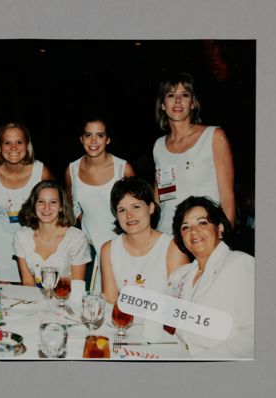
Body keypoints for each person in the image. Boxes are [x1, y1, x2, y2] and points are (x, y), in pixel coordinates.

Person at [168, 196, 254, 358]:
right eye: (185, 227)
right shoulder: (181, 275)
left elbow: (253, 337)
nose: (193, 231)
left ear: (220, 228)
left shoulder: (241, 264)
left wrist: (199, 362)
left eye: (202, 223)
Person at [153, 72, 235, 234]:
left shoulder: (214, 136)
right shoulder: (158, 146)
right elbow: (160, 199)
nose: (177, 100)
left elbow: (227, 198)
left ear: (192, 103)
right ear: (162, 104)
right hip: (167, 237)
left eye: (184, 95)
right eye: (170, 95)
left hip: (203, 236)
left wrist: (224, 240)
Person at [65, 116, 135, 289]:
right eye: (88, 135)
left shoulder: (123, 169)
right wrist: (90, 230)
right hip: (89, 250)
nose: (93, 141)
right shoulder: (72, 170)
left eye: (100, 135)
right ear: (81, 139)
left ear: (108, 139)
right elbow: (72, 208)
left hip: (121, 246)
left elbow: (137, 210)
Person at [0, 122, 53, 282]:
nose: (13, 148)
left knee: (30, 288)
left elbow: (54, 204)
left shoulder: (42, 172)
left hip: (30, 234)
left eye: (19, 142)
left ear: (27, 145)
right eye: (7, 142)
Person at [100, 177, 188, 304]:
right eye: (122, 210)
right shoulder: (108, 250)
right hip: (125, 322)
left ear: (151, 208)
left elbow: (179, 305)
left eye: (136, 207)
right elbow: (110, 302)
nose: (129, 215)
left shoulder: (173, 248)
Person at [14, 180, 90, 289]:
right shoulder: (22, 235)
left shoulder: (77, 238)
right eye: (41, 201)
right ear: (34, 205)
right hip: (34, 300)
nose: (46, 207)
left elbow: (77, 287)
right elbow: (27, 284)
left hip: (65, 301)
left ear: (61, 207)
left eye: (53, 202)